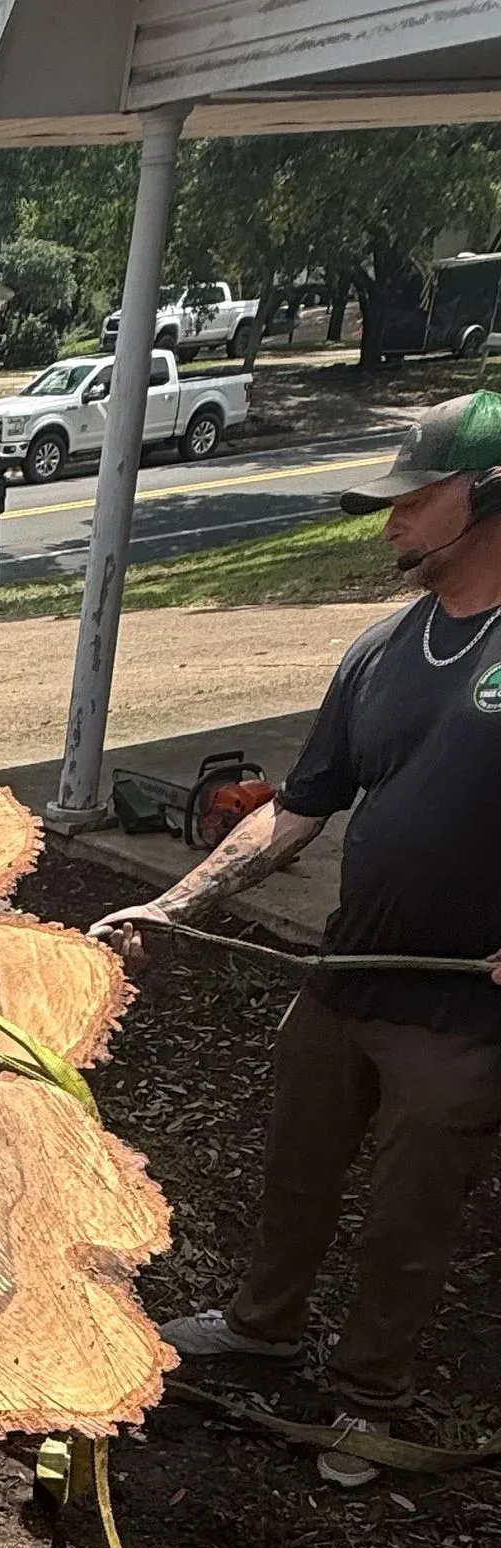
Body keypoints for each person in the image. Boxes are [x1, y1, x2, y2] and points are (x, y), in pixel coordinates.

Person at [92, 390, 501, 1488]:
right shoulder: (382, 649)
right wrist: (174, 905)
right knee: (297, 1169)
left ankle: (370, 1399)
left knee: (410, 1215)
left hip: (465, 1009)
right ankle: (265, 1327)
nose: (390, 520)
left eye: (416, 498)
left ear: (490, 496)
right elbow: (299, 805)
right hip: (346, 974)